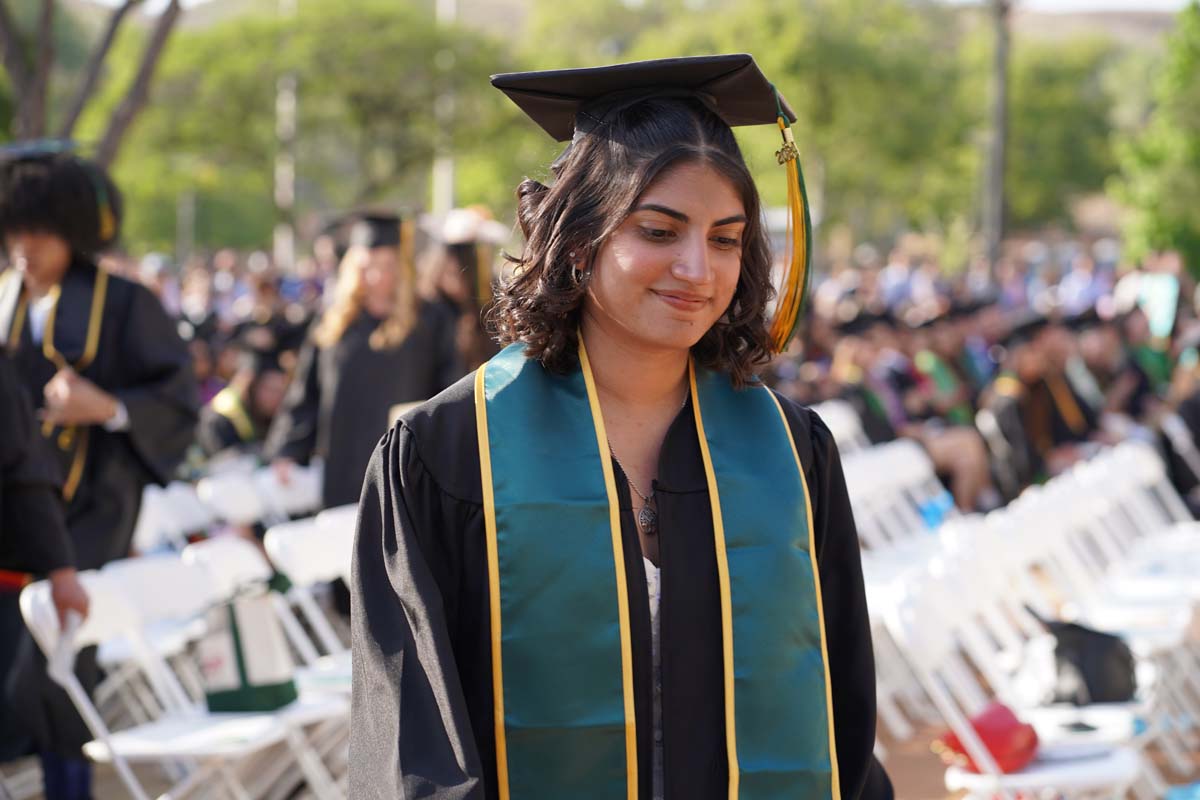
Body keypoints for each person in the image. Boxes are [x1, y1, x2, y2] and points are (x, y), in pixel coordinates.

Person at [351, 55, 890, 798]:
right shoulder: (448, 456)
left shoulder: (792, 454)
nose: (698, 268)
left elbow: (841, 715)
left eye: (726, 238)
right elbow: (415, 745)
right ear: (580, 240)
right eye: (660, 231)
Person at [0, 142, 197, 798]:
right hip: (13, 516)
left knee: (51, 675)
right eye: (16, 229)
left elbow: (176, 398)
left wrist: (108, 407)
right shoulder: (2, 301)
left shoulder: (124, 302)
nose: (27, 246)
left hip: (94, 511)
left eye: (42, 230)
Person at [266, 213, 463, 509]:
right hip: (343, 465)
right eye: (367, 265)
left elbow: (450, 393)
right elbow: (306, 393)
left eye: (387, 265)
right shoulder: (335, 322)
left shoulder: (430, 320)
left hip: (404, 471)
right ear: (352, 267)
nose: (376, 276)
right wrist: (287, 450)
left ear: (402, 267)